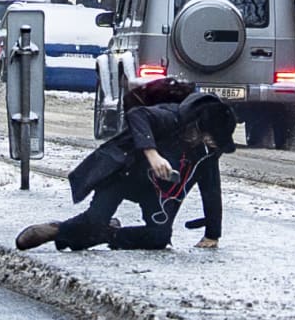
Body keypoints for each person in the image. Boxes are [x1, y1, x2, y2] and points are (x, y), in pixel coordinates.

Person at [15, 89, 238, 252]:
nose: (212, 145)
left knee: (159, 237)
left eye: (215, 142)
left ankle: (107, 233)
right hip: (122, 174)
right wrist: (152, 154)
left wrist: (212, 234)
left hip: (154, 190)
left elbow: (211, 187)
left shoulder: (207, 152)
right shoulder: (170, 117)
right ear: (198, 126)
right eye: (210, 138)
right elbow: (137, 115)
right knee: (94, 219)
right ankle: (58, 229)